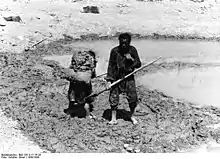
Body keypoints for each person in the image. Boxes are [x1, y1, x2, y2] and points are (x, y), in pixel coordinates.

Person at [105, 33, 141, 125]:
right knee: (113, 97)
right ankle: (113, 118)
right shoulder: (114, 51)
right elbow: (111, 66)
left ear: (129, 42)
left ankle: (132, 116)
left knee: (132, 97)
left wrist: (131, 59)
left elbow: (138, 64)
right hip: (116, 77)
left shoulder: (132, 50)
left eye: (126, 43)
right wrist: (109, 80)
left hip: (129, 77)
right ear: (119, 42)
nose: (124, 45)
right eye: (122, 43)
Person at [63, 50, 97, 119]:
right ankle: (87, 115)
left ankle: (69, 113)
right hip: (85, 84)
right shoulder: (91, 62)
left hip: (74, 83)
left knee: (72, 99)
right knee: (86, 100)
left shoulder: (76, 62)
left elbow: (70, 69)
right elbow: (93, 74)